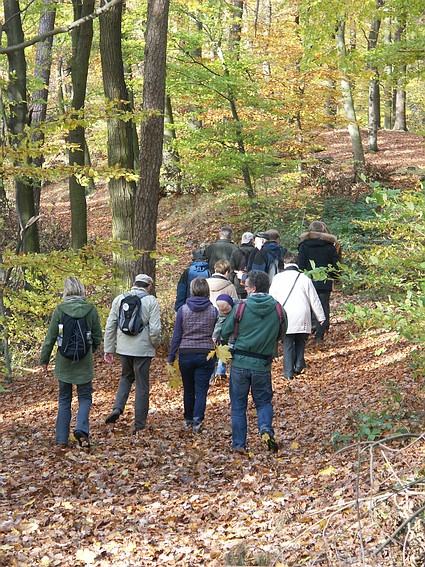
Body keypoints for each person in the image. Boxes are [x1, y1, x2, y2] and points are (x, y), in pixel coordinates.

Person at [221, 270, 286, 454]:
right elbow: (282, 334)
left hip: (240, 364)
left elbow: (225, 332)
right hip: (263, 365)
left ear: (254, 288)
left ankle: (239, 445)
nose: (245, 289)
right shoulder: (278, 309)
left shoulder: (241, 308)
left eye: (247, 286)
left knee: (239, 406)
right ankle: (265, 428)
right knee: (264, 402)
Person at [39, 276, 102, 449]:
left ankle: (61, 439)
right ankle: (81, 429)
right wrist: (89, 351)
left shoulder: (60, 309)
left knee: (64, 399)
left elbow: (51, 336)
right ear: (82, 290)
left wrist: (44, 359)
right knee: (85, 397)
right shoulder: (90, 309)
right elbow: (97, 336)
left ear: (66, 290)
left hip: (64, 361)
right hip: (84, 361)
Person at [104, 274, 162, 432]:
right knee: (142, 385)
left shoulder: (119, 299)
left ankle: (117, 408)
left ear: (134, 284)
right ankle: (139, 424)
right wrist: (155, 345)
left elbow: (111, 325)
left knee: (125, 377)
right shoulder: (151, 301)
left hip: (123, 348)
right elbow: (155, 330)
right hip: (143, 349)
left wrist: (108, 348)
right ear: (149, 286)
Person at [167, 277, 218, 432]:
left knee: (189, 389)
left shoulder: (183, 310)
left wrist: (171, 355)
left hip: (186, 353)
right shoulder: (213, 310)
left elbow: (177, 335)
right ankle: (197, 420)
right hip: (206, 353)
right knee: (201, 389)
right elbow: (217, 333)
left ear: (192, 290)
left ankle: (188, 419)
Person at [270, 252, 325, 380]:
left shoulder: (278, 278)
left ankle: (288, 372)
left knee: (288, 343)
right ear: (297, 263)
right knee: (301, 340)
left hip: (285, 314)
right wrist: (321, 317)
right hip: (302, 313)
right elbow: (314, 299)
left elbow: (272, 298)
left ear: (285, 263)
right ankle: (299, 364)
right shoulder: (305, 278)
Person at [298, 221, 340, 342]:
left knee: (306, 306)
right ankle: (319, 336)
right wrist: (334, 277)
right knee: (323, 306)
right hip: (324, 281)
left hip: (307, 280)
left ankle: (306, 333)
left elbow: (301, 264)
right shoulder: (330, 247)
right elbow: (335, 265)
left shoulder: (303, 246)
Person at [212, 293, 239, 380]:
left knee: (234, 355)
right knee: (223, 354)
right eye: (222, 310)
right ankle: (220, 373)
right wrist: (215, 335)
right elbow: (218, 324)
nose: (225, 312)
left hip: (237, 335)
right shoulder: (221, 314)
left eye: (227, 309)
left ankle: (233, 372)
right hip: (226, 337)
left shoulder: (238, 307)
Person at [230, 232, 255, 299]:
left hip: (238, 282)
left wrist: (232, 282)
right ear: (252, 241)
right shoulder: (256, 252)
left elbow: (232, 269)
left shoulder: (235, 252)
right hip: (252, 282)